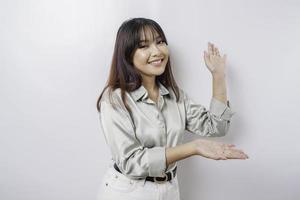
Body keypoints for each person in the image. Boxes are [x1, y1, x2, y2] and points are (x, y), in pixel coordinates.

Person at [96, 17, 249, 200]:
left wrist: (218, 76)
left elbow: (216, 126)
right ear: (128, 54)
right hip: (128, 192)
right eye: (144, 46)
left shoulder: (175, 96)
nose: (157, 51)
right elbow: (131, 162)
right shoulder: (115, 99)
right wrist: (193, 147)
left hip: (169, 190)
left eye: (160, 42)